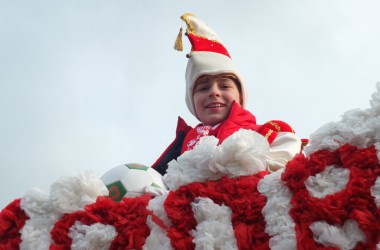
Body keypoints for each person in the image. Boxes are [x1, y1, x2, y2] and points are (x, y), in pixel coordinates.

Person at [152, 13, 303, 175]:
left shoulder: (266, 134)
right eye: (203, 88)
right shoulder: (178, 151)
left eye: (224, 86)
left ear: (240, 96)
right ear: (191, 100)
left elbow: (286, 162)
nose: (214, 92)